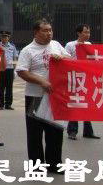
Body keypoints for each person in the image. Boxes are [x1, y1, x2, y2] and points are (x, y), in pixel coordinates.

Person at [16, 19, 71, 174]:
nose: (49, 33)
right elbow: (22, 71)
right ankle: (37, 166)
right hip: (35, 96)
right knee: (35, 133)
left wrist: (62, 58)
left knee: (55, 130)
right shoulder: (28, 50)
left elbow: (70, 60)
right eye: (45, 30)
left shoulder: (56, 45)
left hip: (55, 96)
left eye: (50, 30)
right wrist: (42, 82)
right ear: (36, 32)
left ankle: (55, 164)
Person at [64, 24, 100, 141]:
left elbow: (94, 60)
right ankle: (72, 131)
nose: (87, 34)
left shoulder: (89, 45)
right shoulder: (70, 45)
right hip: (74, 77)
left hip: (86, 78)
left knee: (87, 104)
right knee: (75, 103)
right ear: (79, 33)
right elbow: (65, 59)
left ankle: (88, 131)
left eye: (88, 32)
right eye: (85, 32)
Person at [0, 31, 18, 110]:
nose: (4, 38)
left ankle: (8, 104)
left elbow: (15, 58)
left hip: (10, 69)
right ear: (1, 37)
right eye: (3, 37)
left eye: (6, 37)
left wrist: (14, 69)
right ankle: (1, 105)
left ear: (8, 38)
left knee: (9, 87)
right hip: (0, 70)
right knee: (1, 87)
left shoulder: (12, 47)